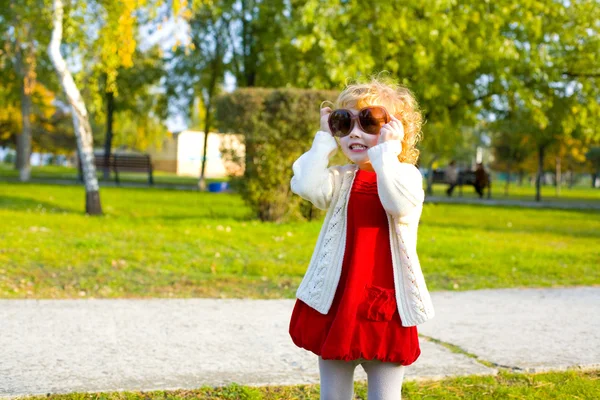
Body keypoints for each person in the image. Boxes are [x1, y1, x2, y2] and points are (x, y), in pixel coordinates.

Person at [288, 78, 435, 400]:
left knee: (385, 395)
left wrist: (386, 155)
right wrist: (324, 141)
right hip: (337, 301)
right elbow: (307, 186)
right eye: (344, 122)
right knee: (333, 394)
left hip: (384, 305)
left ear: (397, 131)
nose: (354, 132)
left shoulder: (405, 176)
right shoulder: (339, 179)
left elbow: (397, 202)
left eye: (369, 121)